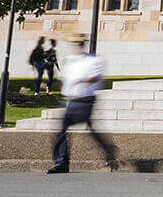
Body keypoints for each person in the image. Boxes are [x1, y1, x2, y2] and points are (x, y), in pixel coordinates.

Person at [46, 38, 117, 174]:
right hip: (71, 100)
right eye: (74, 45)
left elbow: (96, 77)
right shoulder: (70, 61)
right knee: (77, 130)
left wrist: (81, 81)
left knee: (64, 130)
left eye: (78, 45)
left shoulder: (93, 60)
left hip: (86, 100)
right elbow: (65, 79)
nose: (75, 48)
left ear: (82, 45)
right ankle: (108, 150)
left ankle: (62, 162)